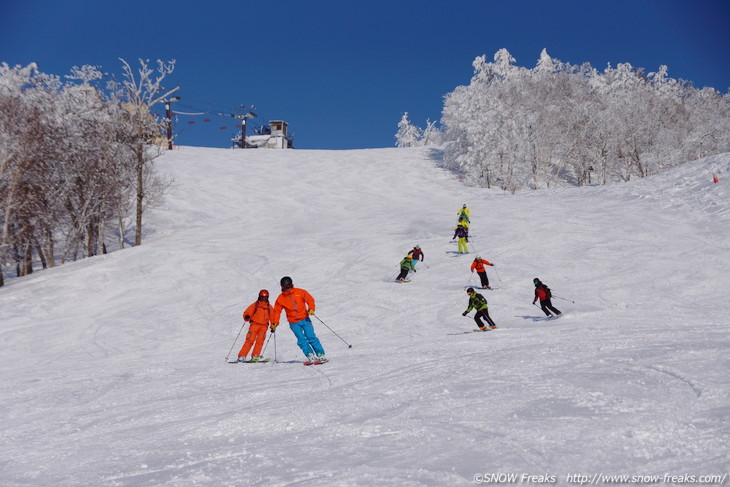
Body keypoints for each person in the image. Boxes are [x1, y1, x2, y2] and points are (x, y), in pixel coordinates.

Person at [271, 276, 327, 363]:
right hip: (294, 323)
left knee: (311, 336)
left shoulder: (300, 292)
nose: (288, 289)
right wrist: (275, 323)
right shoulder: (281, 298)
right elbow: (276, 311)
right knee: (301, 339)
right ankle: (310, 355)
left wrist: (311, 308)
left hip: (305, 319)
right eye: (285, 287)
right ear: (282, 287)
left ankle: (320, 354)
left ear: (292, 285)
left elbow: (310, 299)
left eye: (289, 286)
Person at [238, 289, 272, 362]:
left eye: (265, 298)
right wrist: (247, 316)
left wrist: (274, 325)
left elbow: (273, 317)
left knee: (260, 341)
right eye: (262, 297)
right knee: (250, 340)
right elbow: (247, 312)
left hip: (264, 327)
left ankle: (255, 355)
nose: (263, 299)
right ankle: (242, 356)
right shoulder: (255, 305)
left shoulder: (269, 307)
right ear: (259, 297)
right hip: (254, 325)